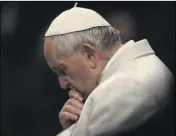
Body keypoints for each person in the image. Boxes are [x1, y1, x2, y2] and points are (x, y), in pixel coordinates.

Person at [43, 6, 174, 136]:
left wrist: (76, 129)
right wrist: (75, 127)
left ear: (89, 55)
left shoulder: (125, 88)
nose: (63, 84)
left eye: (62, 70)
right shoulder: (140, 68)